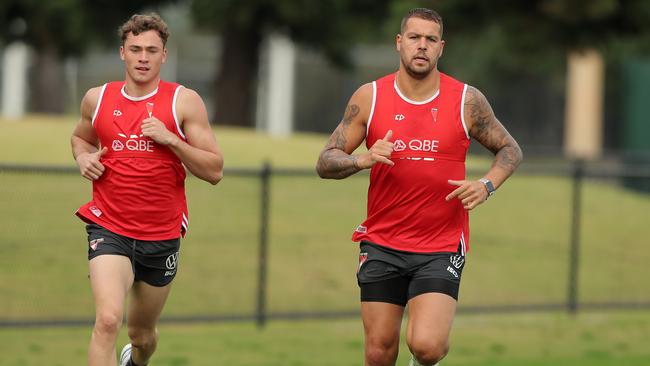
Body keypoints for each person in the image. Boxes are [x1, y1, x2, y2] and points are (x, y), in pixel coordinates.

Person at [316, 8, 522, 366]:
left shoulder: (466, 100)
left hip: (440, 245)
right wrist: (360, 160)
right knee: (379, 352)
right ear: (399, 43)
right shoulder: (370, 97)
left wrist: (487, 185)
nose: (422, 46)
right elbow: (326, 160)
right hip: (382, 242)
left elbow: (510, 149)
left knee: (427, 345)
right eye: (414, 38)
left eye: (430, 39)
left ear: (441, 47)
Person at [71, 13, 223, 366]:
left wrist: (171, 139)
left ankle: (137, 361)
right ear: (121, 52)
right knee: (108, 320)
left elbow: (214, 170)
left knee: (141, 335)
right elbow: (80, 137)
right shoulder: (97, 98)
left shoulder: (183, 102)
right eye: (135, 49)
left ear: (164, 56)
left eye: (151, 51)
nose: (143, 58)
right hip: (110, 227)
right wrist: (83, 158)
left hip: (161, 234)